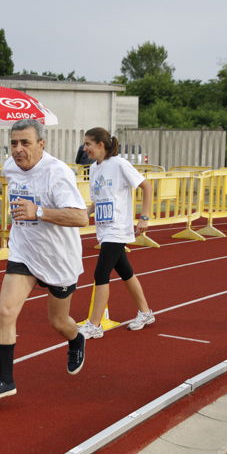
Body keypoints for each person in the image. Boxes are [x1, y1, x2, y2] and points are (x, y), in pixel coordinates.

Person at [0, 119, 89, 402]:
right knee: (5, 312)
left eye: (25, 143)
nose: (18, 149)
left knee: (58, 321)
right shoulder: (10, 167)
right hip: (24, 252)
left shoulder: (57, 173)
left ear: (41, 144)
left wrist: (38, 211)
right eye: (13, 143)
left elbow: (80, 217)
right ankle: (6, 380)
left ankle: (76, 338)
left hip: (58, 258)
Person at [77, 127, 155, 340]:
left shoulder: (119, 164)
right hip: (104, 229)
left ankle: (95, 325)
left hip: (118, 228)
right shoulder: (94, 168)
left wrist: (144, 217)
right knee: (125, 271)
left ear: (100, 144)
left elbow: (147, 187)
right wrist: (86, 212)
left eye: (88, 144)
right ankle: (145, 312)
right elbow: (98, 199)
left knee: (101, 274)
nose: (85, 148)